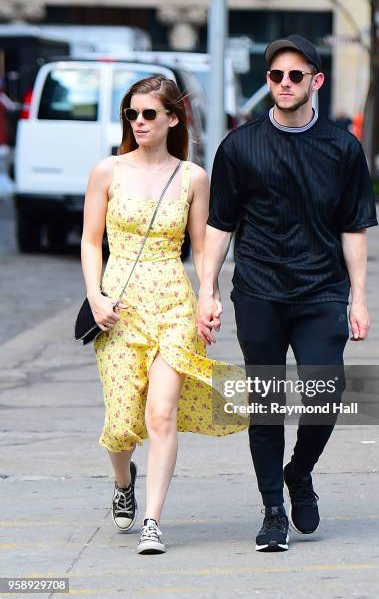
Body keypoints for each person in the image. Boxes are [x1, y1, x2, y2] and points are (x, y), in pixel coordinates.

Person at [197, 35, 378, 552]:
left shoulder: (343, 148)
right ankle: (273, 508)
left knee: (326, 394)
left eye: (295, 76)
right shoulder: (239, 146)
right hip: (259, 290)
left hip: (322, 289)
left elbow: (354, 227)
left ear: (315, 81)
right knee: (266, 400)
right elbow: (220, 225)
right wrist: (206, 290)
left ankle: (299, 472)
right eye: (275, 76)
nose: (283, 84)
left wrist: (358, 297)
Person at [80, 75, 244, 556]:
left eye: (149, 113)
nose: (139, 122)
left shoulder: (192, 177)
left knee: (161, 413)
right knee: (120, 424)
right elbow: (91, 241)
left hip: (173, 303)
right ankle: (122, 480)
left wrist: (208, 298)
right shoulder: (106, 171)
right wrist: (96, 297)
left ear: (173, 118)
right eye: (132, 113)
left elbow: (201, 249)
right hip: (119, 308)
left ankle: (152, 521)